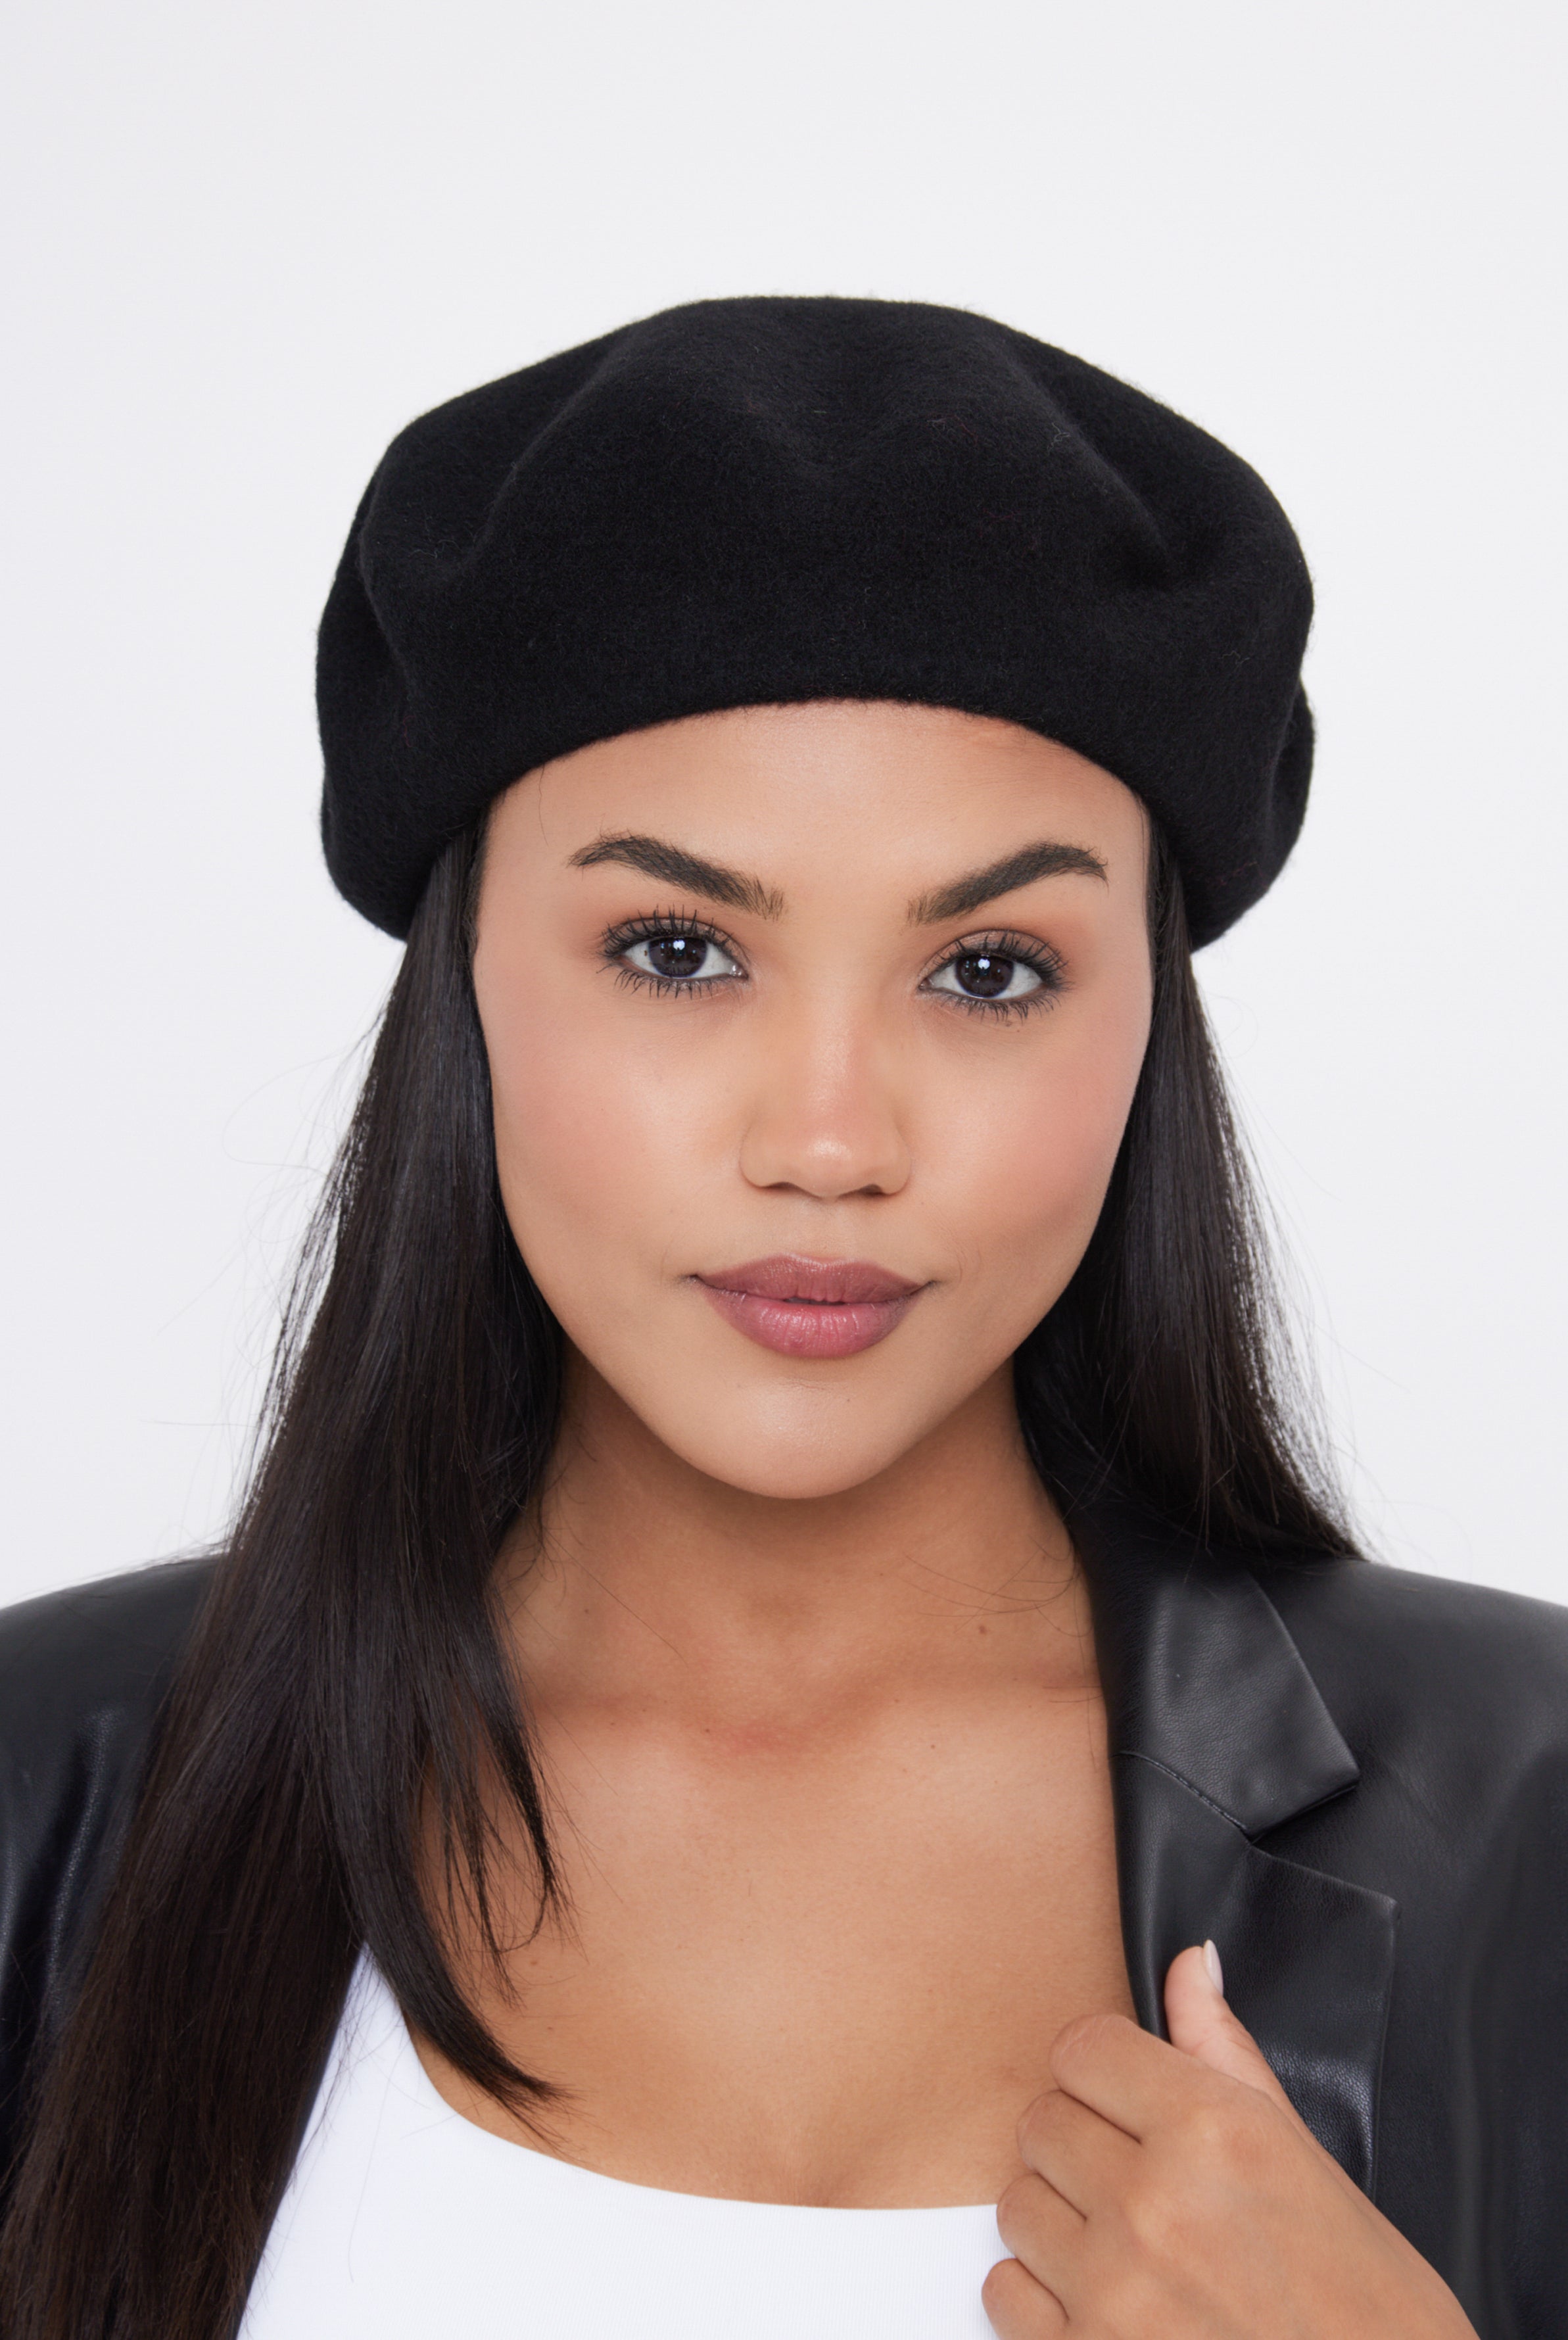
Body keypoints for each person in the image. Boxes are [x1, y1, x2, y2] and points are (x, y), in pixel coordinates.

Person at [0, 297, 1561, 2340]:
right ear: (465, 986)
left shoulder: (1532, 1814)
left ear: (1145, 1031)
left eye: (990, 971)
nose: (828, 1140)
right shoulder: (40, 1785)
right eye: (674, 948)